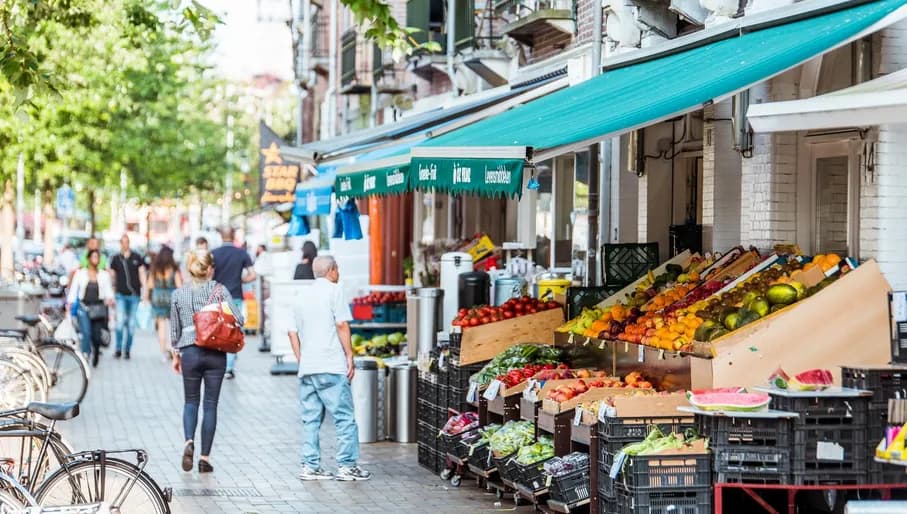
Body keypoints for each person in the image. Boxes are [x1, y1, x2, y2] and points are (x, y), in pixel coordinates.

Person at [288, 256, 371, 482]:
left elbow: (292, 333)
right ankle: (347, 466)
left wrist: (302, 359)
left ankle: (310, 466)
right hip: (331, 365)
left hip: (308, 368)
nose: (339, 273)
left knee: (311, 420)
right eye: (337, 269)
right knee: (344, 417)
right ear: (332, 270)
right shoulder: (335, 291)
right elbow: (342, 324)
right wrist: (349, 355)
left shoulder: (300, 296)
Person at [169, 249, 242, 474]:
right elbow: (239, 319)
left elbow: (174, 330)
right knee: (210, 405)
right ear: (210, 269)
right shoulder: (220, 290)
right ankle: (204, 458)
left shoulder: (179, 294)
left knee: (191, 401)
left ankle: (188, 441)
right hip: (215, 353)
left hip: (189, 352)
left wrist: (176, 354)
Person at [211, 227, 255, 379]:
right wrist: (240, 280)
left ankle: (219, 363)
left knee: (219, 329)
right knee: (233, 330)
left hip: (217, 297)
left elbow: (209, 275)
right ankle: (229, 367)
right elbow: (253, 275)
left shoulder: (214, 253)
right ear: (233, 235)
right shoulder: (241, 253)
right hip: (235, 296)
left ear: (221, 236)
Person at [68, 249, 115, 367]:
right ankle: (86, 354)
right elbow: (73, 289)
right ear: (88, 259)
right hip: (84, 307)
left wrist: (110, 300)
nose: (95, 259)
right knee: (86, 332)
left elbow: (108, 291)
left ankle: (96, 352)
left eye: (97, 257)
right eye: (93, 257)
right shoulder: (80, 273)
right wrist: (70, 303)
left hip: (98, 308)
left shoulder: (104, 275)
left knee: (96, 335)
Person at [109, 234, 146, 360]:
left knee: (131, 324)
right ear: (120, 243)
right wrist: (111, 293)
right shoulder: (115, 258)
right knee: (119, 323)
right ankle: (118, 349)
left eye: (127, 242)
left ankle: (127, 350)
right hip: (120, 295)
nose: (125, 244)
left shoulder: (137, 257)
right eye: (122, 242)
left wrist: (145, 291)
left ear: (129, 243)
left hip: (134, 295)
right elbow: (112, 276)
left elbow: (142, 273)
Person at [147, 245, 182, 362]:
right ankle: (172, 350)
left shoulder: (155, 269)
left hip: (157, 298)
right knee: (173, 326)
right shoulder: (174, 269)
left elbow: (150, 285)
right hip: (172, 298)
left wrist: (148, 297)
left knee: (161, 327)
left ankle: (163, 353)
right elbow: (179, 286)